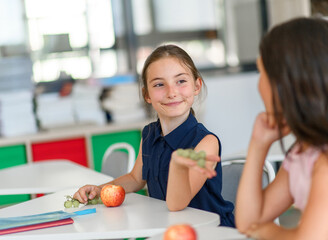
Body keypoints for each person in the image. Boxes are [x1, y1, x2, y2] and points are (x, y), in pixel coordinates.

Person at [73, 44, 235, 227]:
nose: (171, 92)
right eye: (159, 84)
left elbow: (177, 204)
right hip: (169, 229)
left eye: (181, 81)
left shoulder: (206, 142)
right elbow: (136, 179)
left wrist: (177, 166)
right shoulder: (149, 133)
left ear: (196, 86)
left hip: (211, 232)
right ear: (147, 95)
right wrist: (99, 190)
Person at [235, 17, 328, 239]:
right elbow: (247, 221)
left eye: (261, 73)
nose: (258, 84)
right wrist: (258, 144)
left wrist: (269, 231)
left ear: (288, 85)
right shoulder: (303, 152)